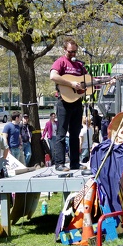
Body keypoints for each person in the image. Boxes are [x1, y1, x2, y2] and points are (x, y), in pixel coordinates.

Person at [50, 37, 88, 171]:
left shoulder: (79, 65)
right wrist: (71, 84)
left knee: (75, 133)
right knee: (61, 133)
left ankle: (75, 163)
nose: (73, 54)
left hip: (77, 102)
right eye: (70, 52)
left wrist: (107, 80)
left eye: (75, 52)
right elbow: (53, 76)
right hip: (63, 102)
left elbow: (88, 80)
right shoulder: (60, 62)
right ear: (64, 49)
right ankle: (59, 164)